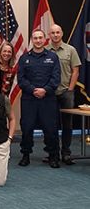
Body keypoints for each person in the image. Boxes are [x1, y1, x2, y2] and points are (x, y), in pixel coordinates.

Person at [18, 30, 61, 168]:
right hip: (29, 99)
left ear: (45, 39)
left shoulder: (53, 57)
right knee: (27, 128)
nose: (38, 40)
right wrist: (33, 90)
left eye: (40, 38)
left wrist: (45, 90)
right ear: (32, 40)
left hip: (48, 99)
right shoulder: (24, 58)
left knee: (50, 129)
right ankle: (25, 155)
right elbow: (21, 79)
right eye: (35, 38)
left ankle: (53, 156)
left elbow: (56, 78)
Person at [47, 24, 81, 165]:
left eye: (57, 32)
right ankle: (52, 153)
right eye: (52, 33)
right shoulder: (45, 51)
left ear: (62, 34)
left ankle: (66, 153)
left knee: (67, 124)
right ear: (49, 35)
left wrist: (70, 89)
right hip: (50, 93)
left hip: (66, 92)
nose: (55, 35)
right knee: (50, 124)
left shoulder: (70, 50)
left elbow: (75, 71)